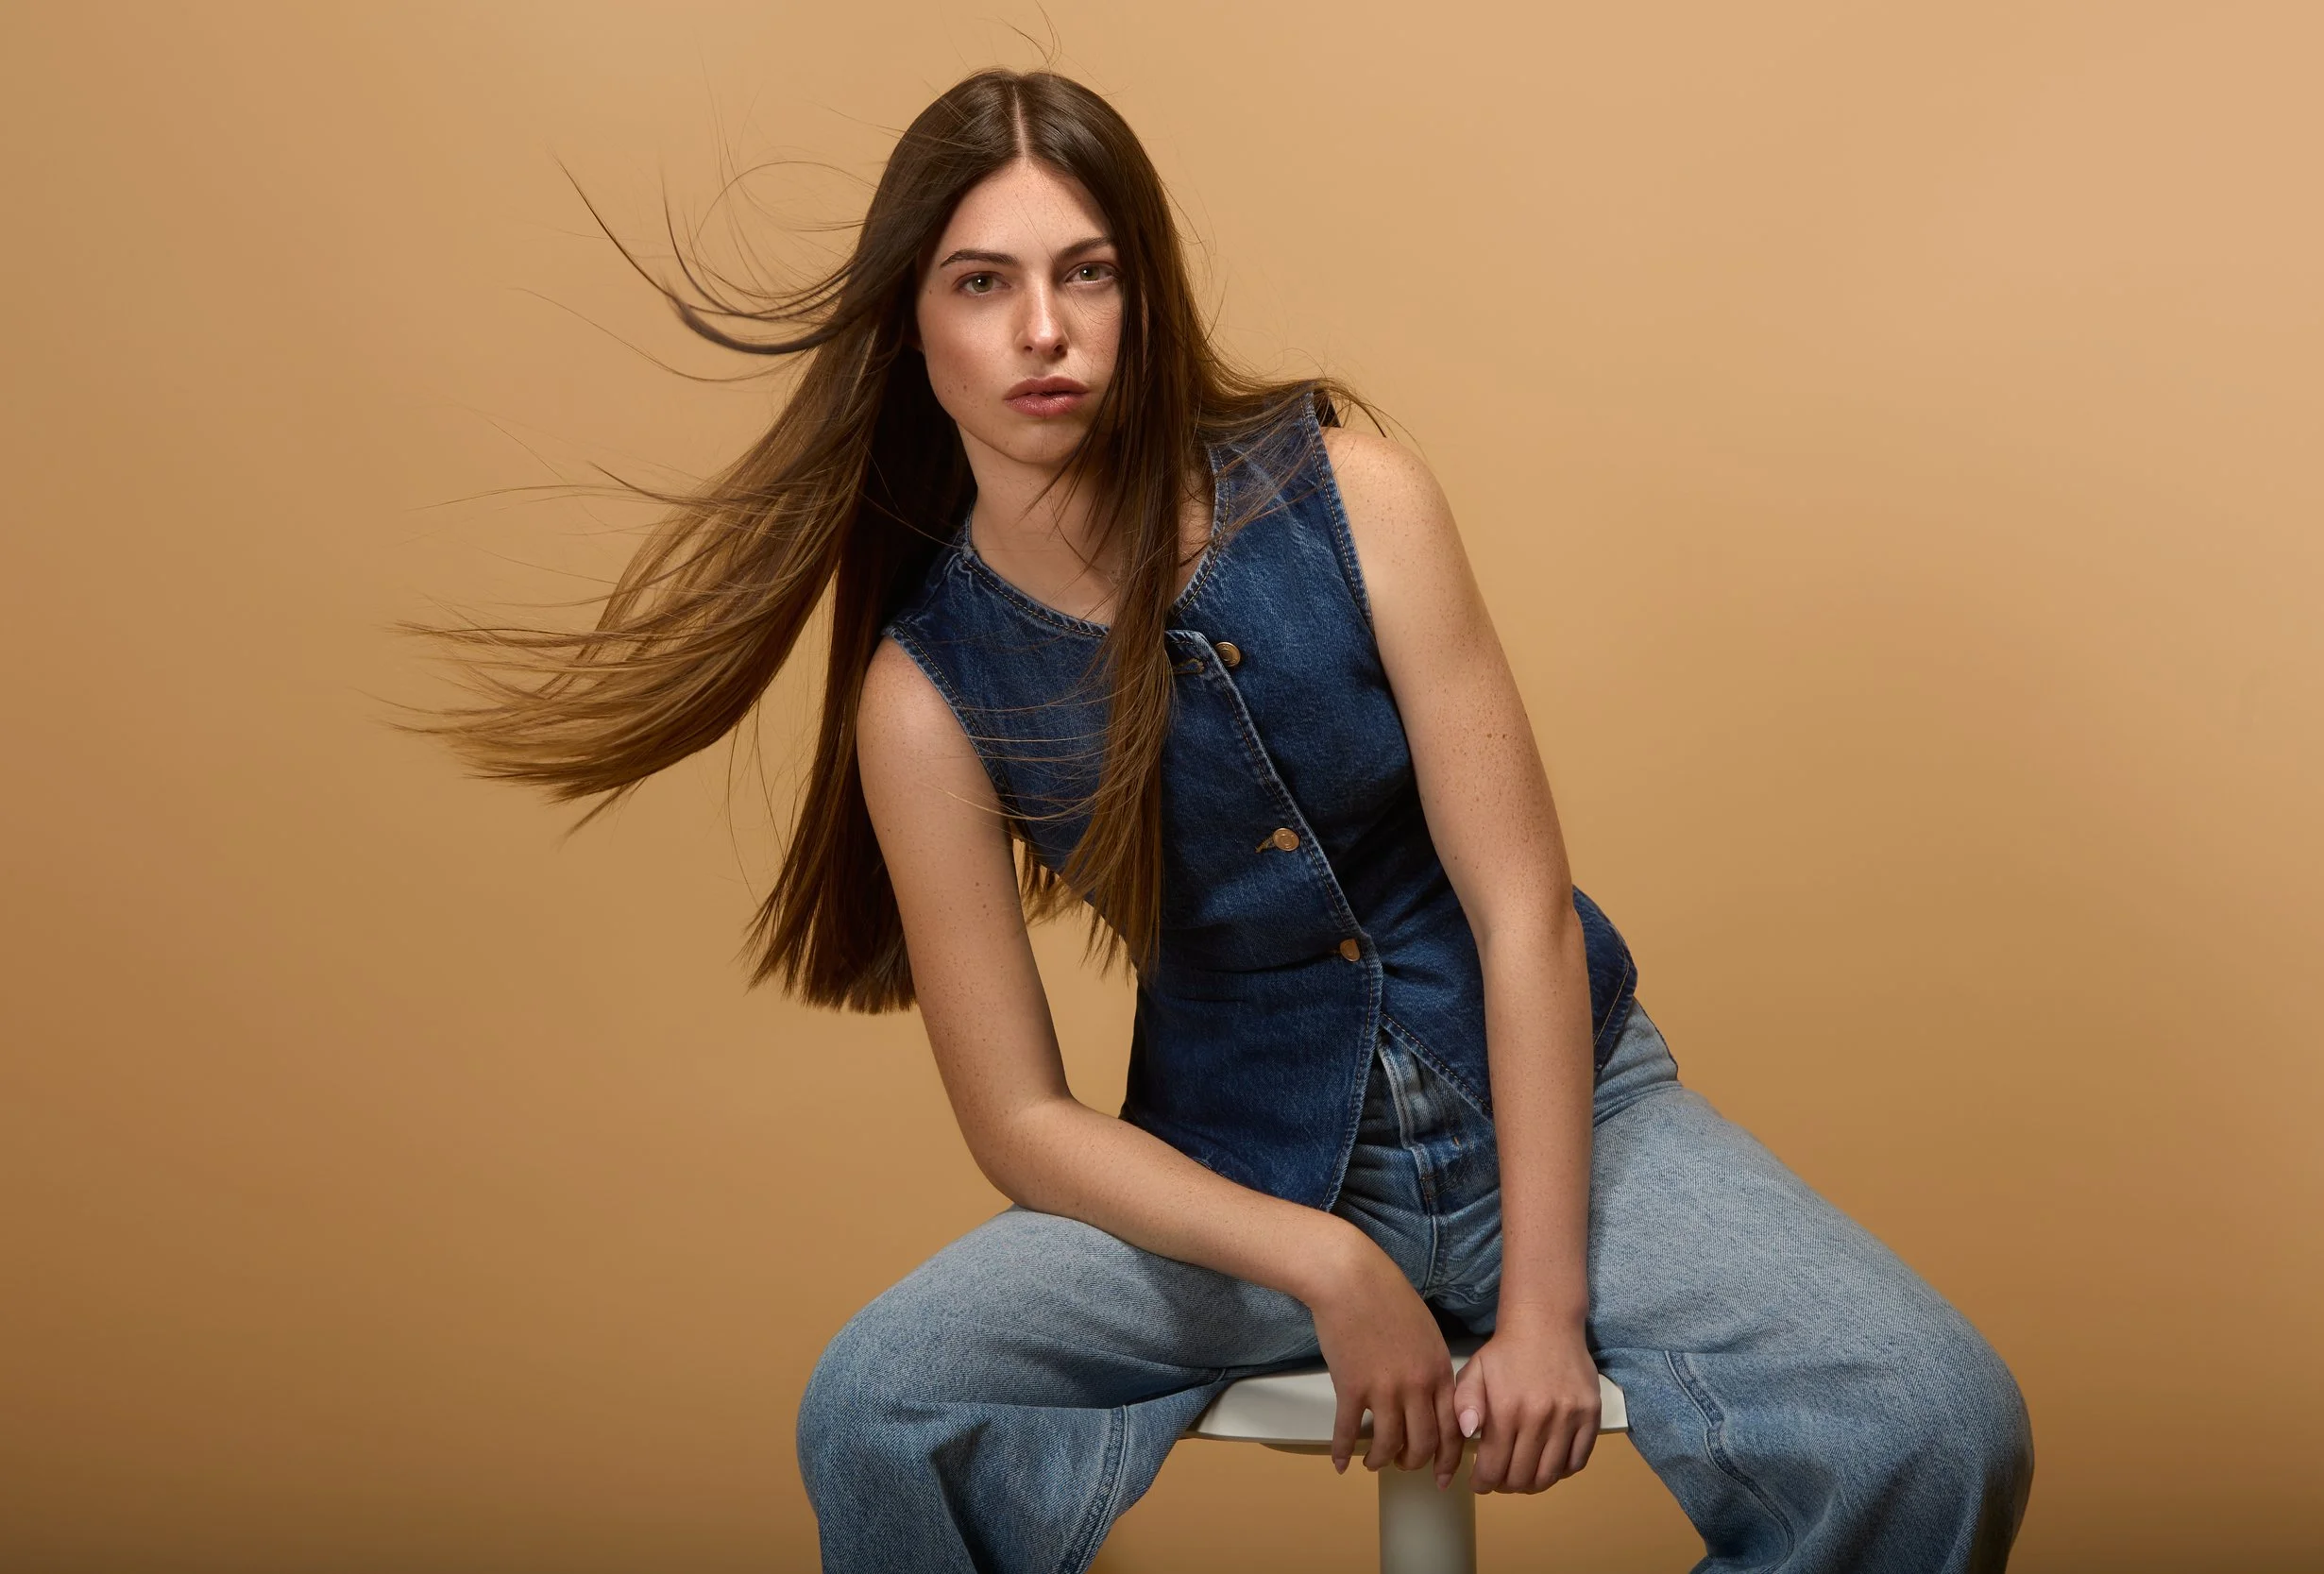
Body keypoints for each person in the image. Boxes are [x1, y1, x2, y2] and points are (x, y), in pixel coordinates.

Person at [410, 67, 2033, 1574]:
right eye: (983, 282)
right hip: (1247, 1178)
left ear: (1146, 295)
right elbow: (1022, 1127)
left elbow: (1521, 911)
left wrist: (1536, 1306)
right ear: (913, 330)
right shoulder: (924, 693)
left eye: (1089, 272)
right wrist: (1324, 1264)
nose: (1045, 328)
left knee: (1937, 1415)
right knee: (879, 1402)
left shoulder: (1354, 494)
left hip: (1566, 1121)